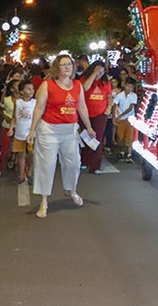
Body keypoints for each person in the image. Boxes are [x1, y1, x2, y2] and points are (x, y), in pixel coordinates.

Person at [26, 55, 96, 219]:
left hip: (70, 131)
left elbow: (82, 107)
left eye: (69, 64)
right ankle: (44, 201)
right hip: (49, 131)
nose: (67, 67)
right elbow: (39, 108)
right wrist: (32, 131)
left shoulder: (78, 85)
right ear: (57, 68)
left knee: (74, 163)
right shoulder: (47, 85)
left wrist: (89, 127)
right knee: (46, 165)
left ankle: (71, 190)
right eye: (63, 65)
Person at [78, 61, 112, 174]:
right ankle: (85, 160)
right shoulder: (84, 79)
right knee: (85, 137)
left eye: (102, 72)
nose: (100, 74)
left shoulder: (106, 82)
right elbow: (84, 88)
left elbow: (109, 96)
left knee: (97, 138)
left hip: (100, 114)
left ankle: (95, 166)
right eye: (98, 71)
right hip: (85, 114)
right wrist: (93, 74)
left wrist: (109, 108)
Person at [9, 80, 36, 184]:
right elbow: (14, 117)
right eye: (28, 89)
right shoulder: (17, 102)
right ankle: (21, 175)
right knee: (21, 154)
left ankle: (29, 172)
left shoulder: (35, 103)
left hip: (31, 133)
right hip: (19, 133)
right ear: (21, 91)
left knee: (31, 153)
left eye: (32, 88)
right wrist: (11, 128)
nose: (31, 91)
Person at [112, 77, 138, 163]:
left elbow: (131, 108)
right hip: (121, 119)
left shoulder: (134, 96)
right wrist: (114, 117)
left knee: (130, 137)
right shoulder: (120, 95)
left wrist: (120, 115)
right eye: (128, 86)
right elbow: (114, 105)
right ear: (124, 85)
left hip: (130, 119)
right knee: (120, 137)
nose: (129, 88)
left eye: (131, 87)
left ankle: (129, 154)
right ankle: (122, 152)